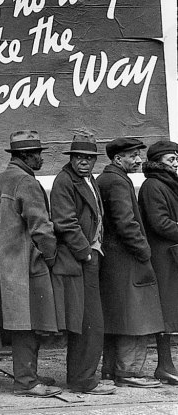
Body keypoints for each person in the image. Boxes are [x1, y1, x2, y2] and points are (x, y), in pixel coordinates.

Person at [0, 131, 62, 398]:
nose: (41, 157)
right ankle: (26, 382)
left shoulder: (0, 180)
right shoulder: (26, 182)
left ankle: (27, 375)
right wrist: (50, 257)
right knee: (30, 324)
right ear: (26, 156)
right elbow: (42, 228)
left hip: (7, 264)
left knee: (22, 323)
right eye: (38, 153)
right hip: (29, 265)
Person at [50, 133, 115, 395]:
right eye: (79, 157)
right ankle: (83, 381)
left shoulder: (89, 181)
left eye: (89, 158)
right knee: (88, 322)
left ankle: (84, 377)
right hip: (80, 259)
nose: (84, 162)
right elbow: (64, 222)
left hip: (91, 256)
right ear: (72, 159)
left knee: (89, 321)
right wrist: (86, 252)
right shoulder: (65, 181)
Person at [97, 137, 163, 388]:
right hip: (127, 257)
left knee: (118, 315)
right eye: (133, 155)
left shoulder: (106, 178)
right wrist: (144, 251)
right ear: (117, 159)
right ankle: (129, 372)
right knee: (134, 317)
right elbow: (126, 223)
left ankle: (111, 370)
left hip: (113, 257)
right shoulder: (117, 181)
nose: (138, 160)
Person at [138, 140, 178, 385]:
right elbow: (160, 223)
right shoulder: (153, 185)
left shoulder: (169, 184)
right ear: (157, 162)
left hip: (173, 255)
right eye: (170, 159)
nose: (176, 163)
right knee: (166, 312)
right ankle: (165, 365)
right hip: (164, 257)